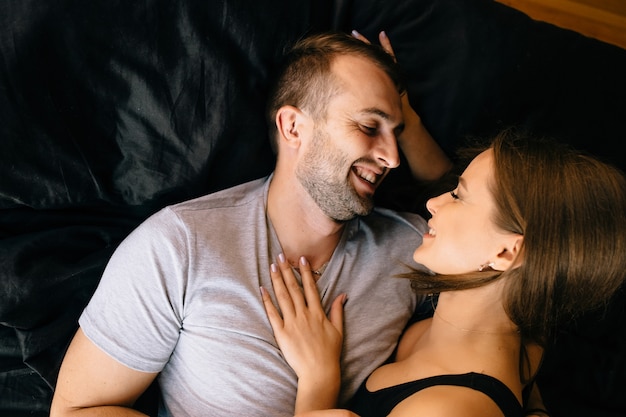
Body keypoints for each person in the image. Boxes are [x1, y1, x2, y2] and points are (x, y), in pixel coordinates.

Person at [50, 31, 452, 417]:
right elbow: (75, 409)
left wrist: (412, 126)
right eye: (369, 127)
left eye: (396, 134)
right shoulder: (178, 246)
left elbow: (491, 219)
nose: (394, 158)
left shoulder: (412, 245)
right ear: (293, 127)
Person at [262, 129, 626, 417]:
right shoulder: (525, 340)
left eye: (458, 196)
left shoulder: (445, 409)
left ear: (505, 251)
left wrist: (317, 385)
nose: (434, 203)